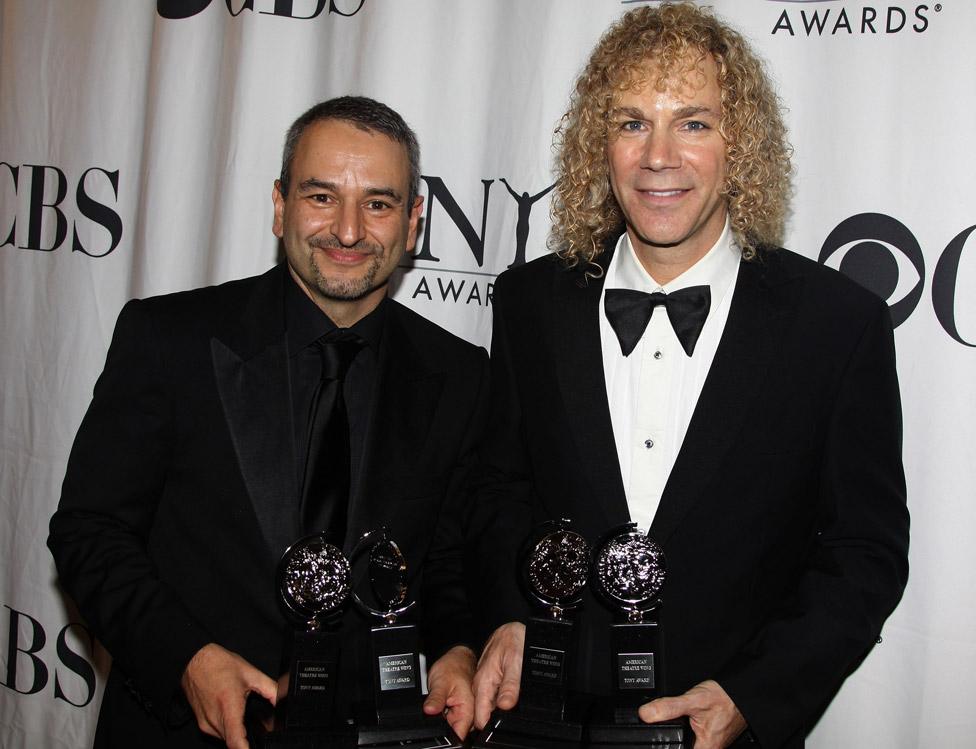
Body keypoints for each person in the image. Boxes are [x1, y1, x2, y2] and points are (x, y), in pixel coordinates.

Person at [467, 4, 909, 748]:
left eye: (694, 123)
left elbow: (863, 552)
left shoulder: (836, 323)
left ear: (741, 144)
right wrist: (512, 610)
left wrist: (751, 696)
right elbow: (497, 487)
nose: (657, 157)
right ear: (597, 143)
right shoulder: (530, 302)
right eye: (632, 122)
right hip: (543, 720)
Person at [48, 96, 485, 749]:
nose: (346, 230)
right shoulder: (171, 339)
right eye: (320, 197)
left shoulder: (459, 373)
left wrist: (456, 649)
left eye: (378, 203)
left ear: (413, 221)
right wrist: (186, 657)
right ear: (280, 205)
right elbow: (90, 532)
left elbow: (447, 558)